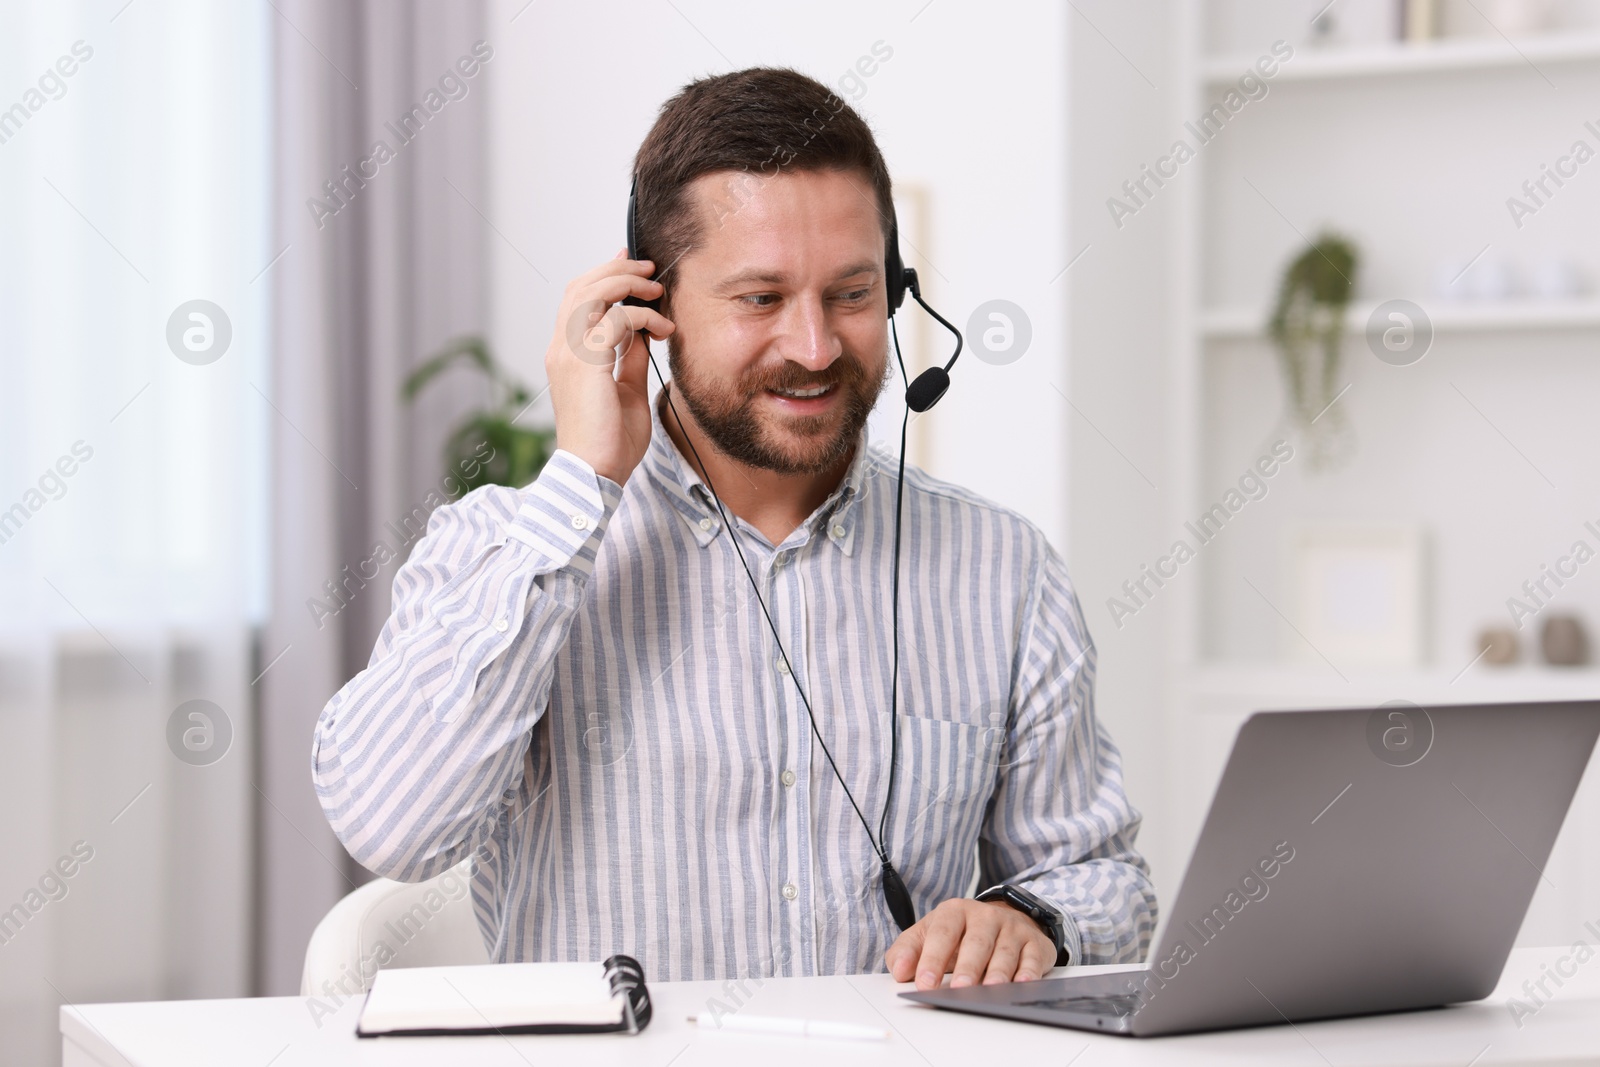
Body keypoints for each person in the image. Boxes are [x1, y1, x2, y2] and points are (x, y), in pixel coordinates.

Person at [313, 66, 1156, 991]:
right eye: (760, 298)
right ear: (652, 308)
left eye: (851, 293)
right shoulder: (508, 549)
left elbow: (1102, 877)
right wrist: (584, 480)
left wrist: (1025, 919)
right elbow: (390, 828)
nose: (815, 346)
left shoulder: (1000, 569)